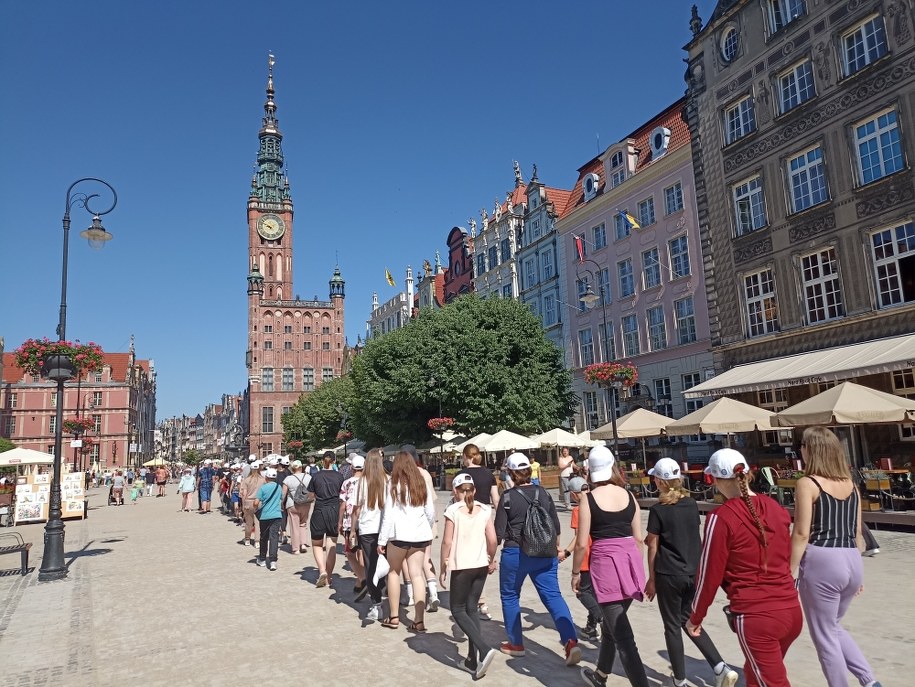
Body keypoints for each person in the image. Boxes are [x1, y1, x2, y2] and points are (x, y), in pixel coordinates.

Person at [687, 448, 802, 687]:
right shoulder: (776, 508)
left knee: (771, 681)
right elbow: (786, 554)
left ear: (714, 480)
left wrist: (696, 615)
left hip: (756, 614)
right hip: (790, 609)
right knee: (754, 672)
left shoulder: (721, 517)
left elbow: (709, 573)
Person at [791, 427, 882, 687]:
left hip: (823, 559)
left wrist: (789, 570)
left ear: (812, 449)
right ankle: (869, 680)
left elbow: (800, 532)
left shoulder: (807, 483)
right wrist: (857, 572)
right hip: (851, 559)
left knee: (824, 636)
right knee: (834, 626)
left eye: (803, 444)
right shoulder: (851, 485)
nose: (801, 449)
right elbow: (857, 534)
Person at [645, 458, 737, 687]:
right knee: (690, 621)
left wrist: (652, 578)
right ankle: (719, 666)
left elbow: (653, 546)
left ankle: (679, 680)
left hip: (669, 573)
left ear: (659, 482)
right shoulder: (691, 504)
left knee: (672, 627)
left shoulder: (658, 510)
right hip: (693, 572)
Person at [495, 452, 581, 666]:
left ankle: (516, 644)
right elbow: (555, 525)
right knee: (553, 596)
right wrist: (557, 547)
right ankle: (570, 641)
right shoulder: (543, 493)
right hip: (545, 551)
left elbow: (498, 532)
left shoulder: (507, 497)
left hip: (515, 553)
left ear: (511, 474)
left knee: (510, 596)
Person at [573, 445, 649, 687]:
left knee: (623, 636)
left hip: (605, 564)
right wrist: (639, 570)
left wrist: (576, 572)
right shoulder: (629, 495)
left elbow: (582, 544)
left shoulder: (589, 499)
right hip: (630, 562)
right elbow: (638, 538)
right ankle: (600, 675)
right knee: (612, 624)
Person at [439, 474, 498, 679]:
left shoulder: (453, 510)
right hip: (481, 564)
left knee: (457, 609)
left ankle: (483, 648)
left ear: (456, 491)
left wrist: (443, 566)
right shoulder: (484, 509)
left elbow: (447, 542)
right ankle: (472, 659)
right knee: (472, 608)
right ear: (473, 490)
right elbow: (492, 539)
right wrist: (491, 559)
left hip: (462, 566)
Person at [377, 450, 436, 631]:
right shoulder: (421, 483)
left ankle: (394, 616)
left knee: (394, 572)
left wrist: (382, 539)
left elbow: (387, 515)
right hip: (419, 535)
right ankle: (419, 620)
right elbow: (430, 512)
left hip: (399, 535)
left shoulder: (393, 485)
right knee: (417, 574)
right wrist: (425, 526)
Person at [454, 442, 499, 620]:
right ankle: (482, 602)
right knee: (484, 558)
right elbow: (496, 499)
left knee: (467, 557)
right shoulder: (488, 474)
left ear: (467, 456)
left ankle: (473, 599)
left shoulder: (461, 475)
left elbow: (456, 498)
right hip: (484, 516)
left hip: (465, 518)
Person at [558, 476, 601, 641]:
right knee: (594, 592)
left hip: (586, 556)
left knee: (582, 592)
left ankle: (602, 618)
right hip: (600, 555)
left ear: (575, 494)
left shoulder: (578, 509)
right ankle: (591, 627)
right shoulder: (598, 503)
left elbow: (578, 538)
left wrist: (566, 553)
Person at [401, 444, 440, 611]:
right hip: (427, 523)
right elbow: (433, 500)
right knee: (426, 560)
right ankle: (433, 593)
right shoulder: (424, 474)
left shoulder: (401, 477)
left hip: (408, 525)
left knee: (407, 561)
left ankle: (410, 595)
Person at [351, 449, 388, 621]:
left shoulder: (362, 482)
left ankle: (376, 603)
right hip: (385, 529)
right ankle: (383, 589)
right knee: (384, 565)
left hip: (367, 529)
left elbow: (356, 509)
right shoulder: (387, 480)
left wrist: (352, 529)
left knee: (371, 566)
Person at [309, 451, 345, 588]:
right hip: (334, 511)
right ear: (334, 461)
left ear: (322, 461)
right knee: (331, 545)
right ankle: (329, 576)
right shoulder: (339, 476)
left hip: (319, 510)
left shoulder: (316, 476)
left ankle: (322, 570)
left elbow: (311, 495)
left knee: (317, 544)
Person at [338, 455, 367, 596]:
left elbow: (343, 504)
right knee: (363, 551)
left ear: (351, 467)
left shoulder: (347, 483)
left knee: (350, 552)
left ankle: (362, 577)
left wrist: (339, 522)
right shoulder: (369, 482)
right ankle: (361, 579)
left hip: (350, 521)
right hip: (367, 521)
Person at [254, 467, 284, 571]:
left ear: (266, 477)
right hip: (276, 515)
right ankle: (273, 561)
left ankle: (262, 559)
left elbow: (256, 502)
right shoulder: (278, 487)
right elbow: (282, 498)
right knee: (274, 538)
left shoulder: (263, 488)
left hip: (265, 516)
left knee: (264, 537)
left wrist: (255, 507)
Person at [282, 460, 312, 555]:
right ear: (301, 467)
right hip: (306, 503)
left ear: (293, 468)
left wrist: (282, 504)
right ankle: (303, 543)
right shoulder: (308, 477)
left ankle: (296, 548)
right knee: (303, 524)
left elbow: (283, 494)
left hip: (292, 504)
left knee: (294, 526)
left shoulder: (288, 479)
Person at [240, 461, 265, 547]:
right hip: (259, 501)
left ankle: (247, 539)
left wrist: (243, 505)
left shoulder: (246, 480)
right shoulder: (262, 480)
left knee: (248, 522)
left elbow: (244, 494)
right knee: (258, 522)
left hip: (249, 501)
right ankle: (257, 541)